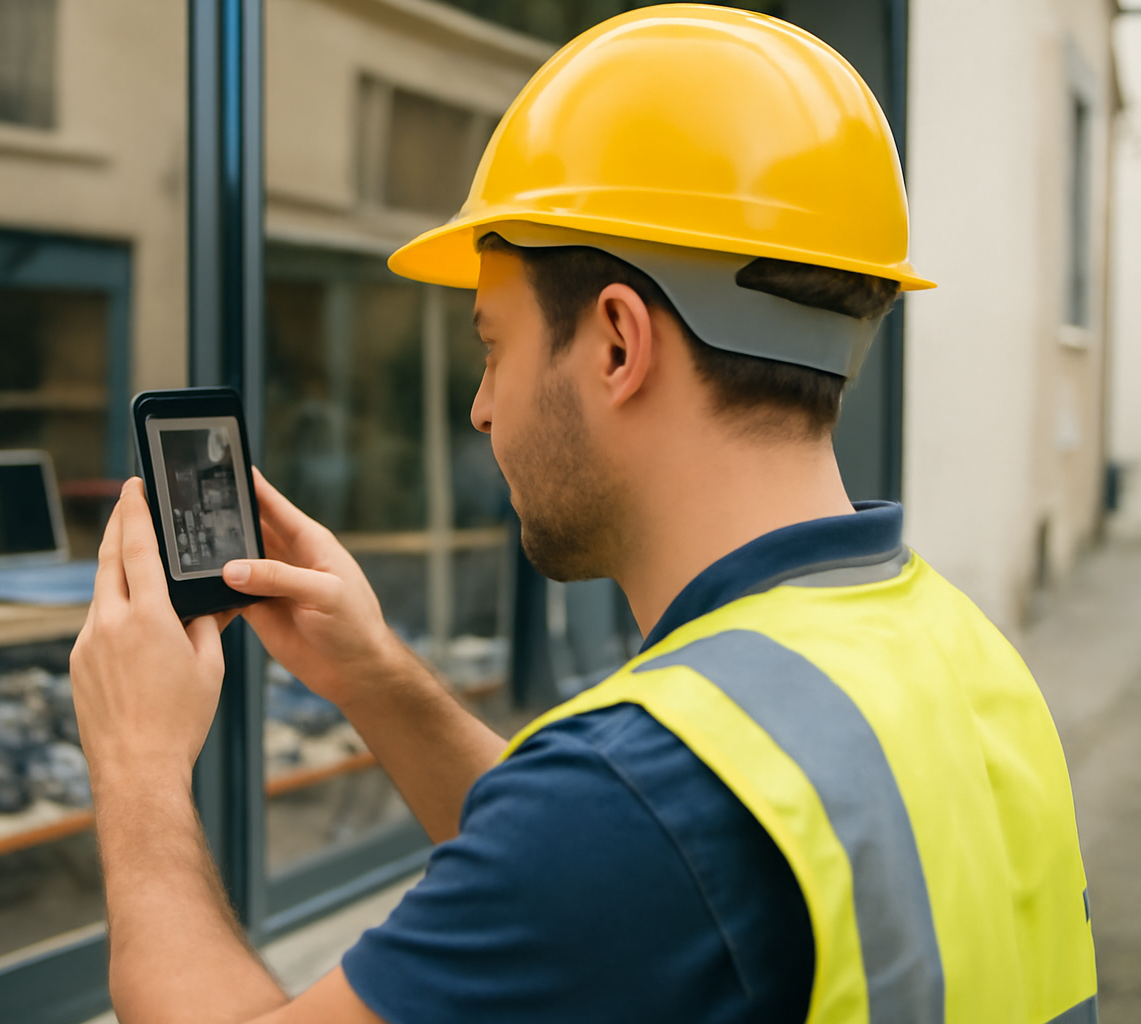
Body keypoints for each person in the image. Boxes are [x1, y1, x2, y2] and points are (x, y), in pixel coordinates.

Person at [69, 6, 1098, 1023]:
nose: (479, 407)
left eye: (492, 345)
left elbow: (613, 842)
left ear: (616, 345)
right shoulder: (964, 658)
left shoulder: (640, 794)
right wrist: (368, 672)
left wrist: (139, 767)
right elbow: (622, 876)